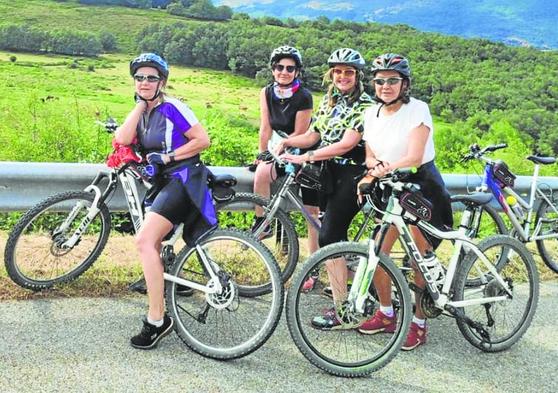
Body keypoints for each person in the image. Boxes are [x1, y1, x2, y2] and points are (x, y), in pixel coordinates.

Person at [114, 53, 217, 350]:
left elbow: (202, 140)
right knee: (153, 244)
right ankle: (164, 289)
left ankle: (157, 320)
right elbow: (122, 138)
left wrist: (169, 156)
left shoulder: (174, 107)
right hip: (164, 183)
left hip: (184, 179)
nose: (144, 82)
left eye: (151, 78)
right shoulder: (144, 112)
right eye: (139, 77)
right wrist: (138, 104)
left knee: (144, 242)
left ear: (163, 82)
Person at [356, 53, 453, 350]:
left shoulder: (417, 110)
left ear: (404, 84)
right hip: (391, 186)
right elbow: (369, 154)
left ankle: (419, 323)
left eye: (392, 81)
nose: (385, 86)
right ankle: (387, 313)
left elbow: (413, 156)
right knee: (378, 252)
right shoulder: (370, 113)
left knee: (417, 257)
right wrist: (373, 171)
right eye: (380, 80)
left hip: (421, 185)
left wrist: (380, 170)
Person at [281, 48, 374, 318]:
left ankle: (343, 310)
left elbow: (345, 145)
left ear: (358, 76)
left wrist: (307, 157)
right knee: (334, 234)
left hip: (354, 174)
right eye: (338, 72)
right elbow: (313, 135)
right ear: (331, 74)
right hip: (329, 172)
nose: (342, 76)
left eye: (349, 72)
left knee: (329, 236)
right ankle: (349, 290)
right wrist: (287, 142)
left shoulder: (365, 106)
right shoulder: (329, 101)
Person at [252, 45, 319, 255]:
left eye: (290, 69)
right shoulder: (267, 92)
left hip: (301, 148)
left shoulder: (304, 96)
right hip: (278, 145)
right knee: (262, 173)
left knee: (312, 211)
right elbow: (265, 126)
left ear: (297, 72)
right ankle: (262, 222)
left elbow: (300, 134)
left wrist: (281, 153)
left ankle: (315, 259)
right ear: (273, 69)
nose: (284, 72)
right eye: (279, 67)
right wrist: (263, 153)